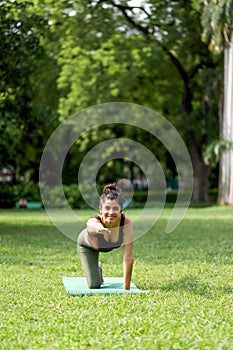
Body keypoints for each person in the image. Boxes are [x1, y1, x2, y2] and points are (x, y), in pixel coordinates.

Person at [77, 183, 134, 290]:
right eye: (107, 208)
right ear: (100, 209)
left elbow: (128, 257)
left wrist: (126, 288)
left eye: (115, 208)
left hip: (104, 243)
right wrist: (100, 229)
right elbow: (91, 226)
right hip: (87, 246)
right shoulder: (95, 221)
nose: (111, 212)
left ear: (121, 209)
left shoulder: (126, 223)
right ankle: (98, 268)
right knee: (94, 285)